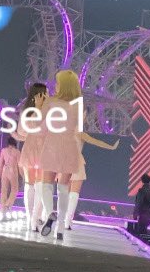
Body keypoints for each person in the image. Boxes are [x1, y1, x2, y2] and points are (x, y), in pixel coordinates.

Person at [39, 70, 120, 241]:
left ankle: (49, 213)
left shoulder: (50, 102)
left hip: (52, 145)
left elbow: (42, 127)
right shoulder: (78, 106)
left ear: (62, 84)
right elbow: (79, 130)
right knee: (63, 189)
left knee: (46, 185)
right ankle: (61, 228)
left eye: (58, 82)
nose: (56, 85)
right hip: (69, 148)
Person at [14, 82, 47, 234]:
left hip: (34, 147)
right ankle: (33, 218)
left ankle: (32, 218)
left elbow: (22, 131)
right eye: (45, 93)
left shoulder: (28, 111)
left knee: (33, 185)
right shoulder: (46, 111)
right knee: (36, 185)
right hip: (40, 148)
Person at [0, 138, 20, 213]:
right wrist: (22, 173)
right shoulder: (17, 152)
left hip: (4, 169)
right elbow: (19, 164)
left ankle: (2, 208)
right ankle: (8, 204)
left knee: (4, 190)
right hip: (13, 170)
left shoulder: (4, 150)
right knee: (15, 189)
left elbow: (0, 162)